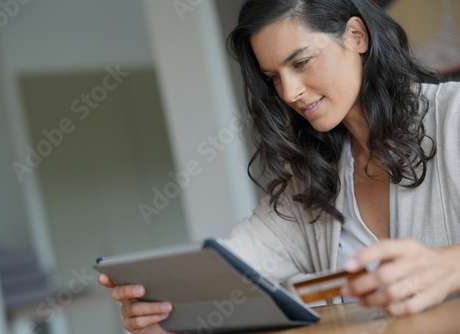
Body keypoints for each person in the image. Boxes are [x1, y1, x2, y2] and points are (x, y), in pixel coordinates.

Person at [98, 0, 460, 332]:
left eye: (301, 62)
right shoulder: (310, 182)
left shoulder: (453, 115)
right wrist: (163, 307)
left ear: (356, 36)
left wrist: (448, 266)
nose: (289, 92)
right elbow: (231, 270)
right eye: (273, 76)